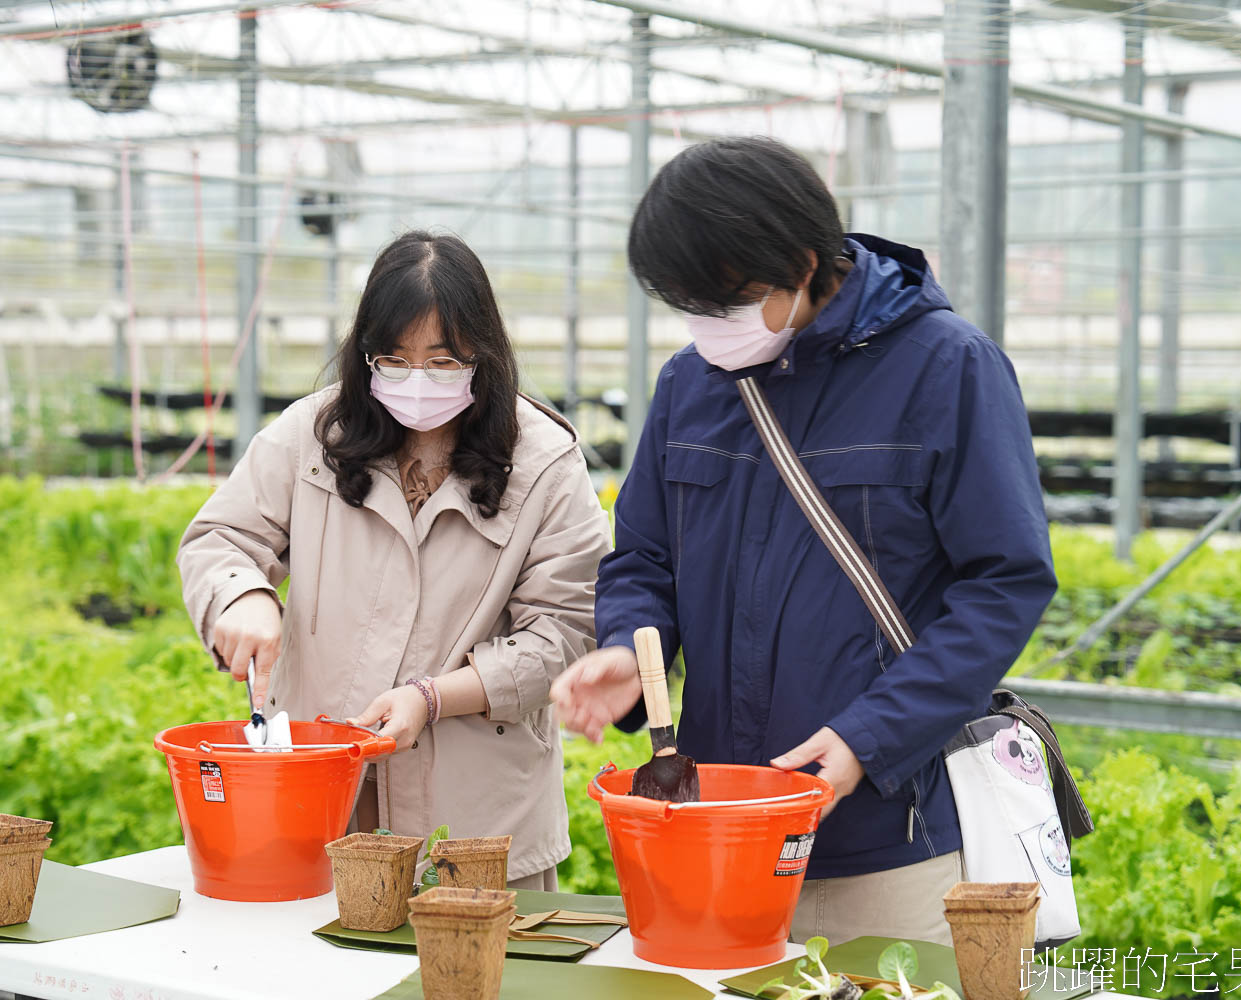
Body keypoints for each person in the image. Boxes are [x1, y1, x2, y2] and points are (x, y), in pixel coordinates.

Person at [551, 137, 1056, 942]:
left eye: (725, 299)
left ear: (802, 262)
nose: (706, 325)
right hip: (721, 827)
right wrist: (629, 646)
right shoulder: (690, 384)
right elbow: (643, 556)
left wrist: (870, 736)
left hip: (891, 836)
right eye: (687, 303)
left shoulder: (946, 368)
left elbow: (1004, 583)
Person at [178, 230, 611, 889]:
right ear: (366, 357)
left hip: (477, 818)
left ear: (481, 355)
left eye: (442, 362)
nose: (417, 382)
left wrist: (434, 698)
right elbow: (221, 539)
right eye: (395, 359)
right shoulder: (312, 434)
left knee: (468, 977)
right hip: (319, 794)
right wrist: (242, 595)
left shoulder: (542, 460)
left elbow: (567, 629)